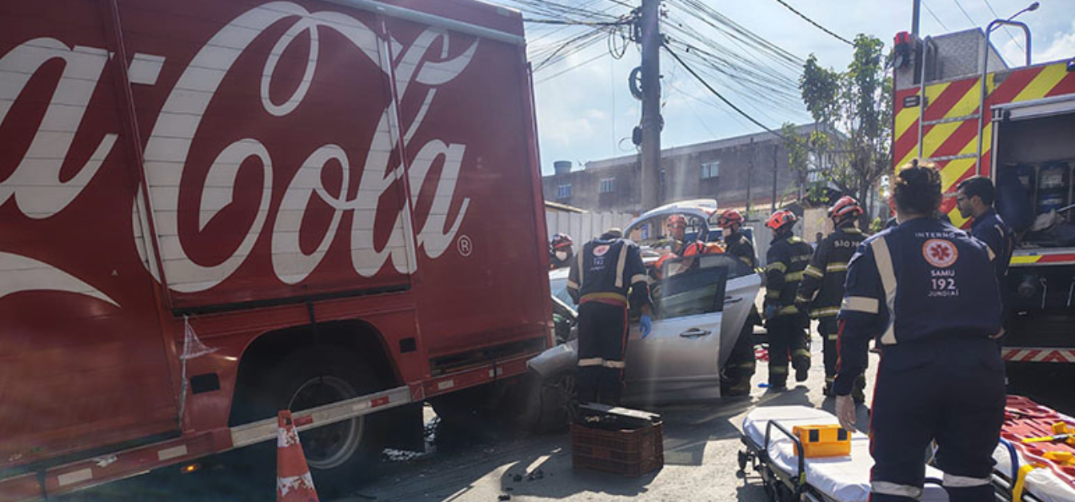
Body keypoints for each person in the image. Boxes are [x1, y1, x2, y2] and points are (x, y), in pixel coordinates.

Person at [835, 163, 1005, 502]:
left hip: (910, 374)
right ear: (940, 202)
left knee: (895, 483)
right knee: (971, 478)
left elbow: (853, 327)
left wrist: (844, 387)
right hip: (978, 370)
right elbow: (997, 317)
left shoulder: (876, 249)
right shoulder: (976, 248)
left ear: (893, 203)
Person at [566, 228, 653, 406]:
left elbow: (572, 287)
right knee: (613, 361)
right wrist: (644, 310)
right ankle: (609, 408)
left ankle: (587, 410)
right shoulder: (628, 247)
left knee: (587, 360)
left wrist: (583, 301)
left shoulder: (584, 249)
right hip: (614, 309)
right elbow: (639, 282)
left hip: (587, 310)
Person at [796, 196, 867, 400]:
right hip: (862, 311)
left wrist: (802, 300)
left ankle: (834, 385)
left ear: (837, 218)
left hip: (832, 310)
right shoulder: (867, 242)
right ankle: (857, 385)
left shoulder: (830, 243)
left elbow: (813, 275)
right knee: (857, 347)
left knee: (833, 348)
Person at [763, 209, 814, 389]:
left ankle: (778, 380)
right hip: (801, 307)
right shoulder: (806, 246)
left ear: (779, 228)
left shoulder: (777, 249)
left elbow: (775, 278)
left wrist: (771, 303)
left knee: (778, 345)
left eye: (772, 229)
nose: (772, 233)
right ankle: (802, 360)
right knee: (799, 336)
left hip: (782, 309)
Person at [957, 175, 1014, 332]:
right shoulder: (994, 223)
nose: (957, 206)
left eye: (961, 200)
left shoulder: (986, 229)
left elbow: (978, 272)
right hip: (996, 300)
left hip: (987, 305)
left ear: (975, 200)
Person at [717, 209, 757, 396]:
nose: (723, 230)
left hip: (741, 303)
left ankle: (744, 381)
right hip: (731, 303)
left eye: (726, 226)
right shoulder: (730, 247)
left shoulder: (741, 245)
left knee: (743, 345)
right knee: (734, 345)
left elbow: (740, 272)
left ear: (735, 225)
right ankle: (733, 380)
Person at [654, 214, 723, 277]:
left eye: (682, 227)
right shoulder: (662, 246)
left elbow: (683, 269)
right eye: (676, 227)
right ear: (669, 228)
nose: (679, 230)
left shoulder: (691, 247)